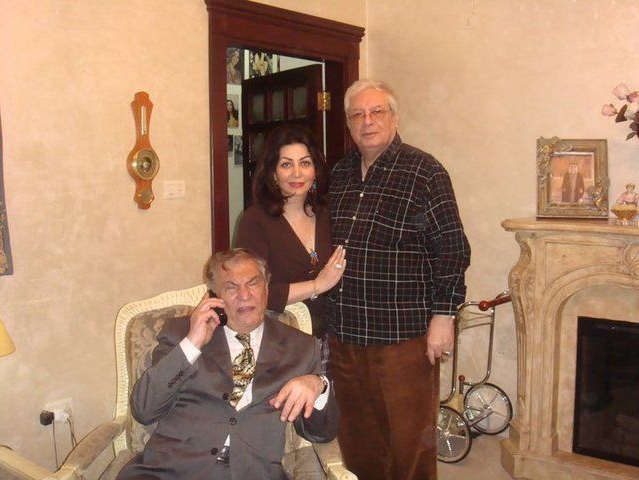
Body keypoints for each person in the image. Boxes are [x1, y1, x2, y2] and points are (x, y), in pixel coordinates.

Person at [327, 79, 471, 480]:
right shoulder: (339, 173)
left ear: (394, 117)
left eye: (377, 111)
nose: (367, 121)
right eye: (357, 114)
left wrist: (444, 316)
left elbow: (452, 248)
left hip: (402, 336)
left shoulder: (424, 171)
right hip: (346, 334)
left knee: (410, 444)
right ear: (348, 123)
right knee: (358, 440)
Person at [117, 248, 338, 480]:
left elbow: (321, 434)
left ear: (266, 287)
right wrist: (192, 343)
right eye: (231, 287)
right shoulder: (180, 332)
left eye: (253, 283)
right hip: (171, 472)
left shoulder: (300, 347)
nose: (244, 295)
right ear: (215, 296)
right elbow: (144, 411)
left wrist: (319, 386)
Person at [235, 124, 346, 374]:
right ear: (273, 172)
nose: (297, 173)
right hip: (280, 346)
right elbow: (253, 292)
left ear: (315, 170)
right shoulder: (254, 220)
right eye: (286, 164)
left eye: (305, 163)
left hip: (332, 341)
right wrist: (317, 285)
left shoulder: (328, 214)